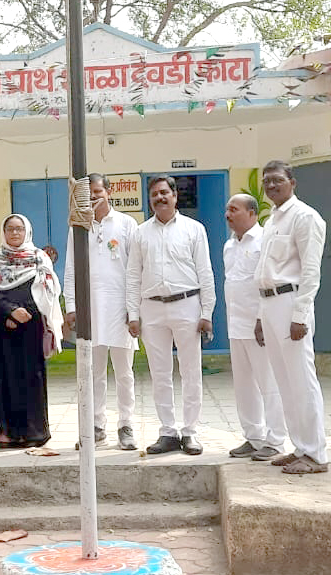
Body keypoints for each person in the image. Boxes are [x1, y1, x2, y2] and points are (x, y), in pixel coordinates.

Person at [126, 174, 215, 455]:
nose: (160, 198)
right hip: (151, 308)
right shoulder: (140, 233)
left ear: (175, 196)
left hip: (187, 305)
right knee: (160, 372)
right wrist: (132, 314)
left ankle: (190, 432)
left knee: (191, 371)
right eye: (154, 194)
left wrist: (207, 312)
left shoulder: (194, 229)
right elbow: (133, 275)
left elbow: (205, 272)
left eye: (164, 193)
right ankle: (167, 431)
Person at [254, 160, 328, 475]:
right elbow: (265, 272)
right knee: (284, 381)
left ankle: (316, 453)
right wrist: (260, 317)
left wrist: (300, 315)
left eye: (277, 180)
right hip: (269, 304)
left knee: (302, 380)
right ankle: (300, 447)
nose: (271, 185)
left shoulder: (305, 217)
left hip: (290, 304)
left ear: (292, 182)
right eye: (266, 181)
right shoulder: (271, 220)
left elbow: (311, 272)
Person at [64, 173, 139, 450]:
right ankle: (96, 426)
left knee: (124, 373)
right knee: (93, 372)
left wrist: (133, 310)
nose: (94, 197)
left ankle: (126, 425)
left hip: (120, 310)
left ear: (109, 192)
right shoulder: (78, 227)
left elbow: (135, 270)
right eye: (90, 193)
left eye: (98, 191)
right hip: (90, 310)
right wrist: (71, 307)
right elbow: (70, 269)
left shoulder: (127, 224)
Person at [0, 214, 63, 447]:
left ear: (27, 232)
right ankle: (6, 432)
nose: (15, 233)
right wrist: (9, 313)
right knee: (3, 377)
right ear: (4, 232)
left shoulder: (39, 258)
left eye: (19, 229)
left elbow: (48, 292)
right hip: (3, 327)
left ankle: (33, 432)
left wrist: (24, 312)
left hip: (31, 327)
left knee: (31, 377)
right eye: (10, 229)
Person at [223, 194, 286, 461]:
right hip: (235, 324)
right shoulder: (229, 246)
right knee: (244, 386)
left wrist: (261, 319)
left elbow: (266, 283)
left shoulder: (263, 241)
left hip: (258, 326)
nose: (228, 214)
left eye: (234, 209)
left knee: (268, 383)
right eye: (227, 209)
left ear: (252, 213)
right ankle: (254, 437)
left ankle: (276, 440)